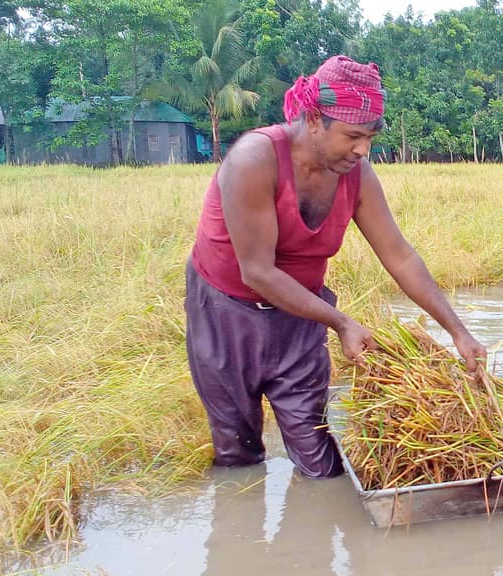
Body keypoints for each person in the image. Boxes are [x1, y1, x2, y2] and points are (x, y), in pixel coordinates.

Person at [184, 55, 486, 479]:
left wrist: (459, 331)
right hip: (224, 312)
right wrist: (342, 323)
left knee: (320, 463)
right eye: (352, 136)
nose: (363, 149)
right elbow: (257, 271)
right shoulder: (254, 159)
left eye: (370, 137)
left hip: (302, 315)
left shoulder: (357, 174)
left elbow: (399, 255)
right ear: (312, 119)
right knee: (239, 454)